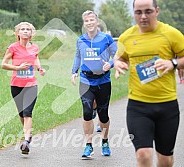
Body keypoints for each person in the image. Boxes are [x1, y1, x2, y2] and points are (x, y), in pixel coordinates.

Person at [114, 0, 184, 166]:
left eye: (148, 11)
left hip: (167, 105)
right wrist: (117, 63)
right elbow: (119, 57)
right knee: (143, 155)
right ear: (133, 13)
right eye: (138, 12)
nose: (143, 16)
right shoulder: (126, 37)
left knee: (165, 160)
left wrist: (172, 63)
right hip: (138, 106)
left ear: (157, 11)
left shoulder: (171, 34)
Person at [71, 10, 117, 159]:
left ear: (97, 22)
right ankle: (88, 145)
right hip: (86, 80)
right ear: (84, 24)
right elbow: (78, 56)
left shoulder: (107, 38)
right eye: (86, 21)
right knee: (86, 113)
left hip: (103, 81)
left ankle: (104, 141)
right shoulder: (80, 40)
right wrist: (74, 71)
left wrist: (110, 64)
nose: (89, 23)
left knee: (103, 115)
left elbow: (117, 56)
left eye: (92, 20)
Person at [1, 22, 45, 155]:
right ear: (17, 33)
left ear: (31, 34)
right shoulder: (13, 48)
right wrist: (17, 68)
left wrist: (39, 68)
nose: (25, 31)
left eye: (28, 30)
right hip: (16, 85)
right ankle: (28, 134)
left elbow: (36, 58)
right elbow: (3, 64)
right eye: (22, 29)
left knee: (27, 112)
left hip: (31, 85)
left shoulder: (35, 48)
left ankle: (26, 141)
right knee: (21, 113)